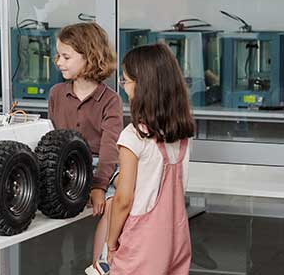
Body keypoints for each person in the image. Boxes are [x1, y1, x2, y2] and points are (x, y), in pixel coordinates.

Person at [107, 43, 194, 274]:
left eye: (125, 81)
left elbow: (124, 199)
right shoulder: (183, 134)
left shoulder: (134, 136)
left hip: (142, 241)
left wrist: (110, 240)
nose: (124, 87)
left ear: (143, 85)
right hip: (177, 236)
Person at [46, 22, 123, 274]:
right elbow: (51, 139)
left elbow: (111, 148)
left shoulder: (110, 100)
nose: (59, 62)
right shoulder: (56, 93)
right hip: (65, 167)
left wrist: (99, 186)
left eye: (66, 56)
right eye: (58, 55)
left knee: (112, 203)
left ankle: (99, 266)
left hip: (101, 168)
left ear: (90, 58)